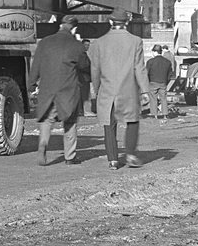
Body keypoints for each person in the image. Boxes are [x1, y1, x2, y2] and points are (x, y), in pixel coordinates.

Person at [88, 9, 150, 169]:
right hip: (128, 89)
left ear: (110, 22)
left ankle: (113, 160)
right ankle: (130, 154)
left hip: (107, 89)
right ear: (127, 22)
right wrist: (144, 90)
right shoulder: (135, 41)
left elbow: (95, 70)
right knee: (133, 121)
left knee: (109, 125)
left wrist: (97, 89)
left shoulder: (98, 43)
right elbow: (139, 68)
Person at [30, 16, 92, 166]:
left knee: (47, 120)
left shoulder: (45, 42)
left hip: (48, 89)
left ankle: (43, 144)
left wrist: (31, 84)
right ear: (74, 28)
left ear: (60, 25)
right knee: (70, 122)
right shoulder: (76, 45)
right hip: (67, 91)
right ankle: (70, 157)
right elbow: (85, 65)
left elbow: (36, 65)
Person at [145, 45, 175, 120]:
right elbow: (170, 73)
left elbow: (146, 73)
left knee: (153, 99)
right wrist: (166, 81)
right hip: (163, 83)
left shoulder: (150, 62)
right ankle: (165, 114)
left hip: (153, 82)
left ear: (155, 52)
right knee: (163, 99)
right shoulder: (167, 62)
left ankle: (154, 115)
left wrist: (148, 81)